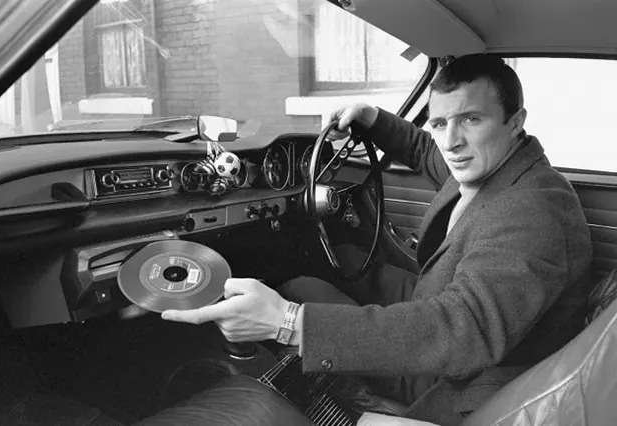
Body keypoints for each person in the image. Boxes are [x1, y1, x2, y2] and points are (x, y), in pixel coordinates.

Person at [159, 54, 593, 424]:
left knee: (299, 290)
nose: (451, 142)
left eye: (471, 119)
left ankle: (349, 396)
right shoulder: (494, 163)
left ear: (515, 121)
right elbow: (425, 150)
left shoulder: (533, 209)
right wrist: (371, 117)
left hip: (463, 376)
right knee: (345, 258)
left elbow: (464, 332)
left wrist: (289, 323)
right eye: (441, 122)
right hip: (453, 313)